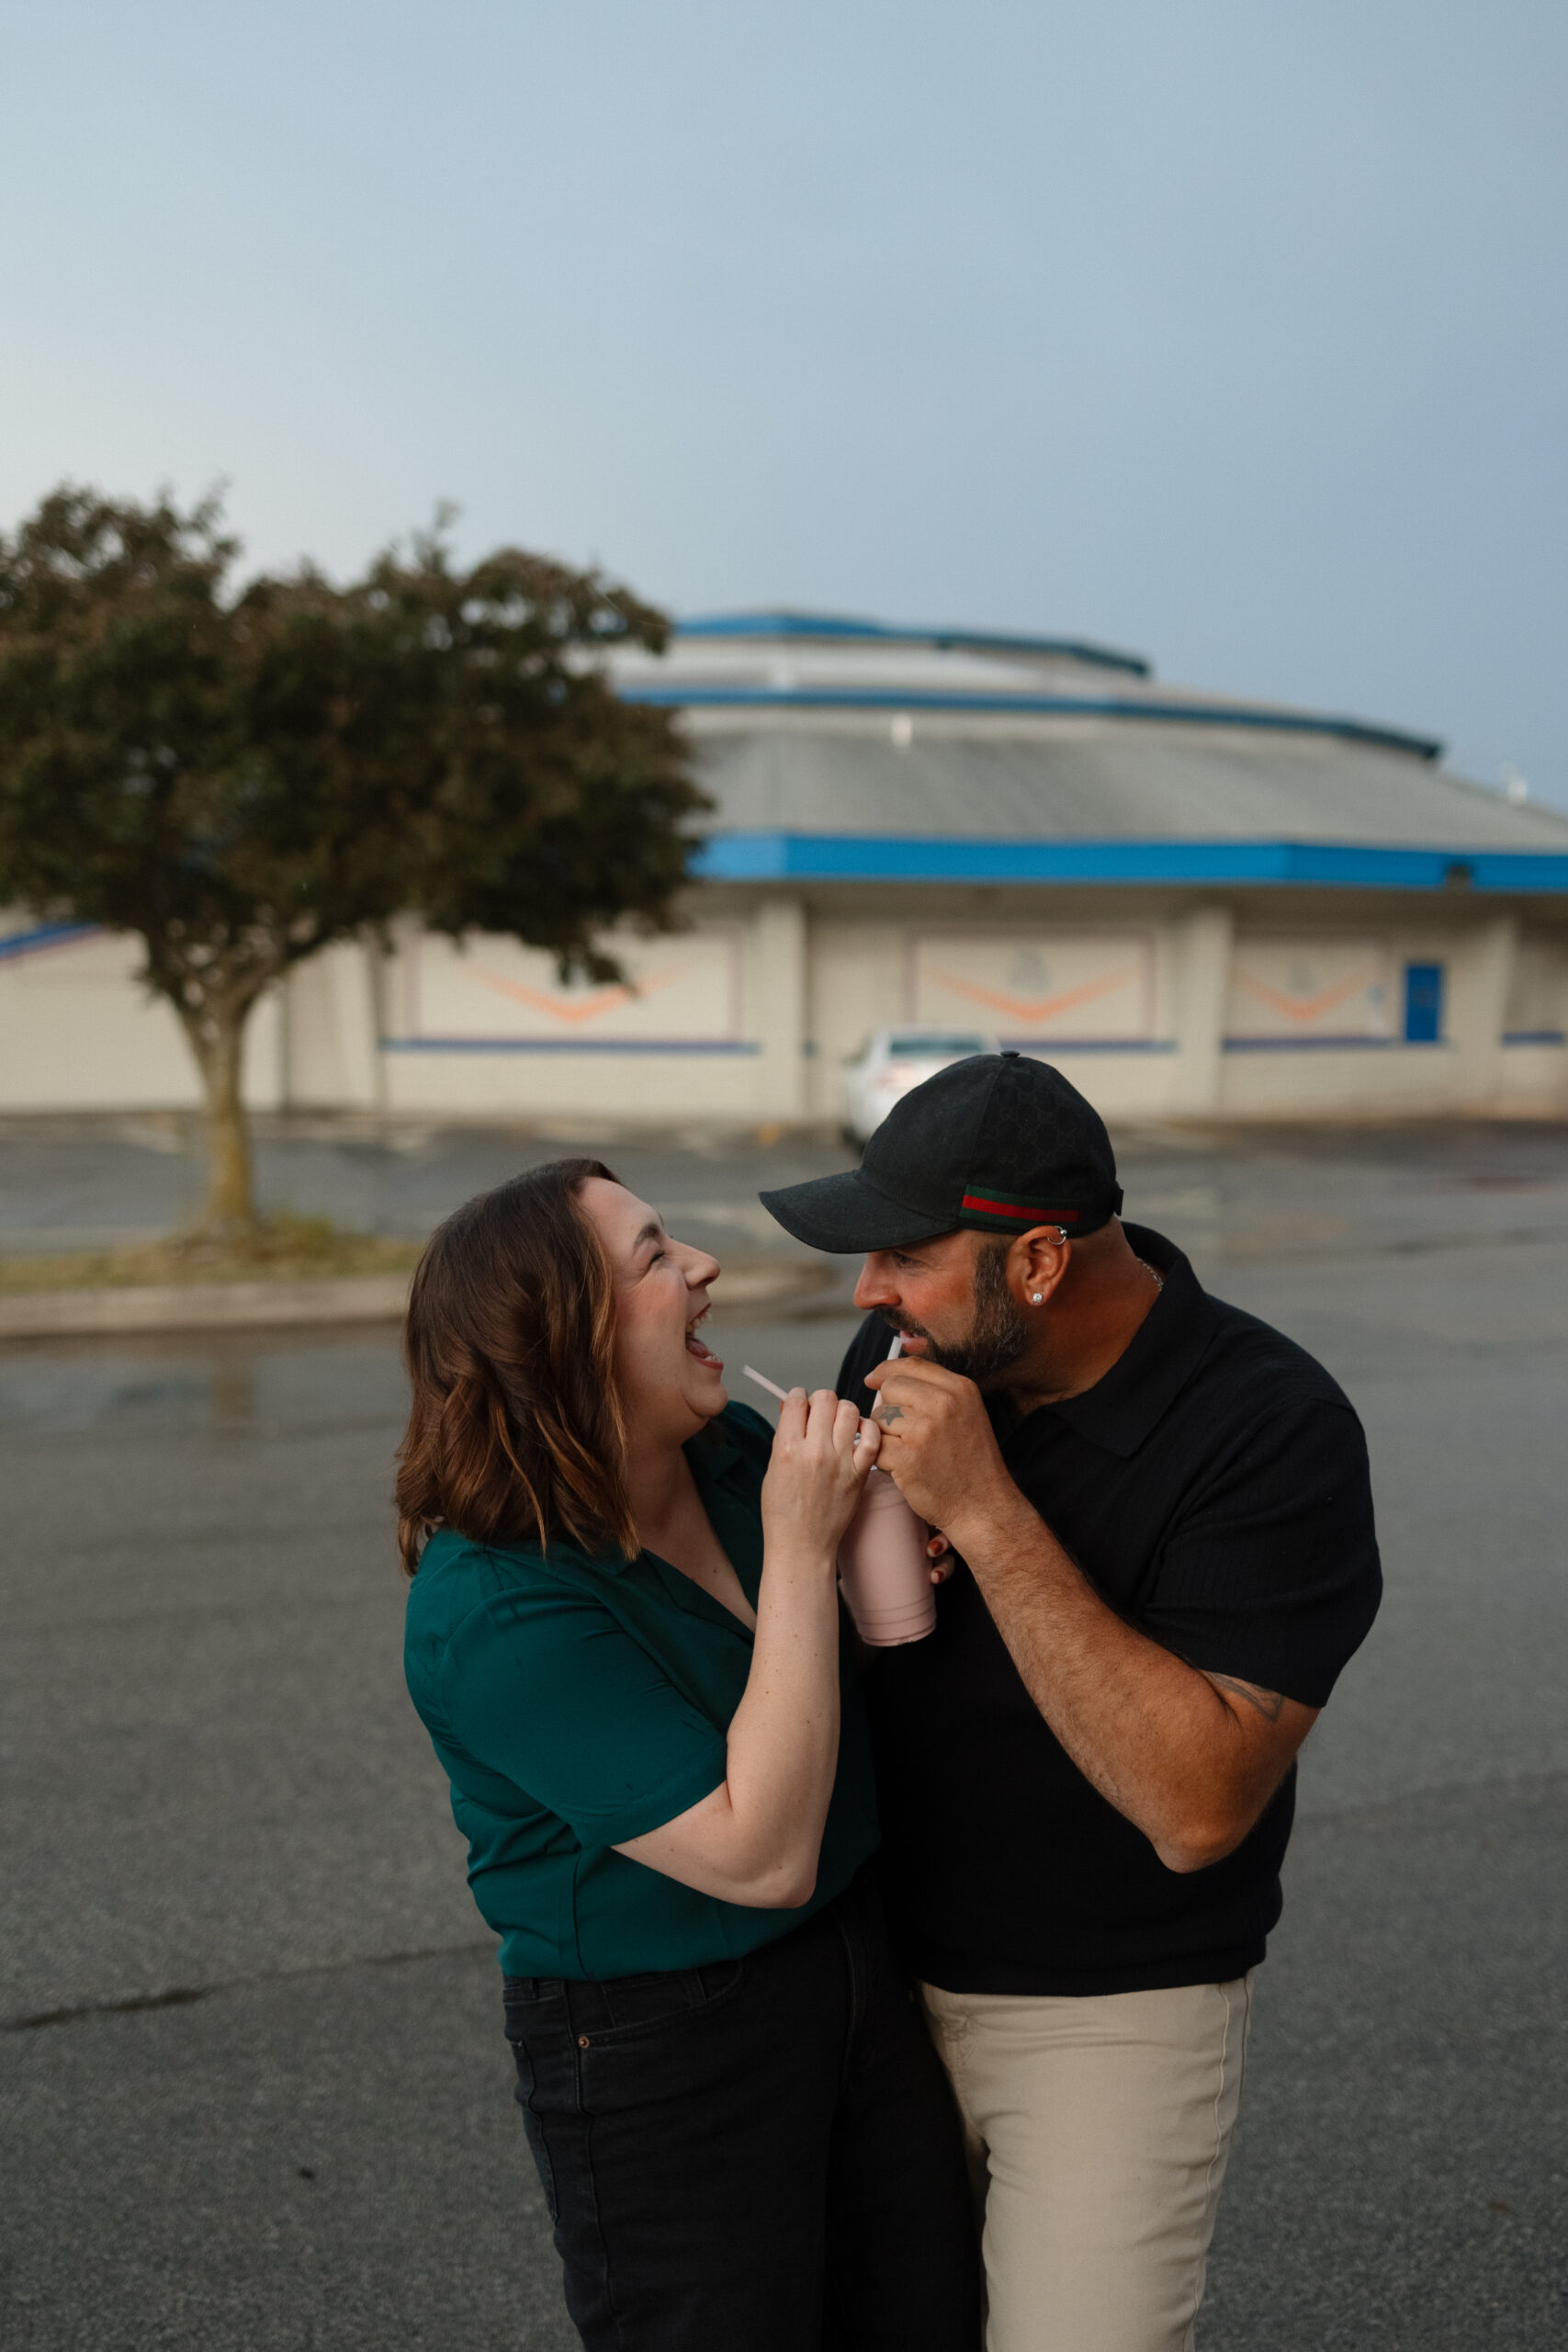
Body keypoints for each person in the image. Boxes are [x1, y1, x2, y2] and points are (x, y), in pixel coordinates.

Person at [759, 1055, 1382, 2352]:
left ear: (1037, 1263)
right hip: (873, 1982)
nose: (867, 1294)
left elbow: (1198, 1805)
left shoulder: (1273, 1427)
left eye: (904, 1257)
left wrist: (987, 1513)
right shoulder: (912, 1344)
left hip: (1112, 2020)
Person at [397, 1158, 978, 2352]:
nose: (704, 1265)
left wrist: (871, 1584)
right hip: (665, 2039)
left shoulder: (724, 1456)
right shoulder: (495, 1609)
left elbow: (796, 1711)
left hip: (854, 1959)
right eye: (657, 1256)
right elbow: (758, 1851)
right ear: (566, 1336)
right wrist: (805, 1546)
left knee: (921, 2317)